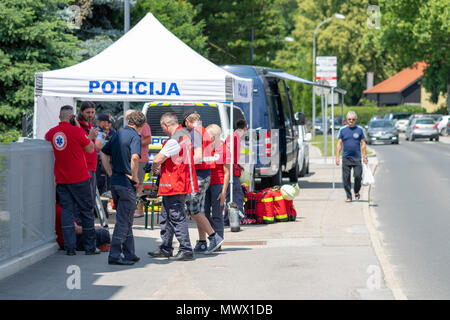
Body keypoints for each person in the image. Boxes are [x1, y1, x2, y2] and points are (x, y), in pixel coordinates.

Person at [45, 105, 98, 256]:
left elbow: (46, 140)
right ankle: (89, 247)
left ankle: (70, 247)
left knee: (67, 212)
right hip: (80, 178)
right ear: (71, 117)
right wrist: (88, 137)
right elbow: (89, 149)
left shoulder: (52, 133)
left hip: (62, 178)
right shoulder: (77, 131)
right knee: (87, 211)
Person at [148, 112, 198, 261]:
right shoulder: (185, 135)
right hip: (179, 182)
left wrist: (154, 168)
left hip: (174, 184)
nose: (163, 131)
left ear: (166, 125)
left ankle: (186, 249)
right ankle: (166, 247)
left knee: (175, 216)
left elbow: (158, 159)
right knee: (166, 216)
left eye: (163, 128)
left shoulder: (175, 139)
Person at [101, 110, 146, 265]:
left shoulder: (118, 134)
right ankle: (114, 255)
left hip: (115, 182)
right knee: (123, 220)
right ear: (141, 125)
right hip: (126, 184)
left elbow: (104, 153)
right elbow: (135, 158)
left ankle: (129, 253)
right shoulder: (135, 136)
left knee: (126, 218)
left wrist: (110, 172)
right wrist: (135, 176)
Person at [182, 111, 224, 254]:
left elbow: (198, 156)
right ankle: (201, 241)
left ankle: (213, 237)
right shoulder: (204, 131)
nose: (185, 127)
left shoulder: (195, 133)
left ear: (188, 121)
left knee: (193, 210)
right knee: (198, 210)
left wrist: (183, 166)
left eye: (185, 124)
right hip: (205, 174)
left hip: (199, 175)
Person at [203, 124, 230, 243]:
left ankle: (218, 240)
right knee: (203, 213)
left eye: (207, 137)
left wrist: (223, 192)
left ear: (214, 137)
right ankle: (212, 237)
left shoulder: (224, 150)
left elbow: (227, 173)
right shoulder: (206, 148)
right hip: (205, 184)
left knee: (217, 214)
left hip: (217, 185)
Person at [123, 110, 152, 218]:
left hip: (141, 159)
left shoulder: (144, 125)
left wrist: (134, 143)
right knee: (131, 184)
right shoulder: (130, 127)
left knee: (139, 185)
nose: (127, 121)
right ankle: (132, 208)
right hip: (131, 159)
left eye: (128, 118)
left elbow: (149, 140)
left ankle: (139, 210)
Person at [335, 111, 368, 202]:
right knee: (346, 178)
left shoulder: (360, 129)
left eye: (353, 119)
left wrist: (365, 156)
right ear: (347, 120)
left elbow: (363, 143)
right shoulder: (342, 130)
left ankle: (356, 191)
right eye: (349, 119)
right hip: (346, 157)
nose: (351, 121)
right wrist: (337, 157)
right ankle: (349, 196)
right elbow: (339, 144)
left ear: (355, 120)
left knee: (358, 176)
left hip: (357, 158)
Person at [224, 119, 247, 225]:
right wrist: (233, 165)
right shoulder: (234, 137)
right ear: (245, 128)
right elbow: (227, 153)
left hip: (232, 168)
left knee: (229, 195)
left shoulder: (233, 136)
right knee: (237, 194)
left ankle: (227, 218)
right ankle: (239, 217)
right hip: (231, 171)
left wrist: (237, 164)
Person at [77, 101, 99, 217]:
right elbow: (80, 145)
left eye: (92, 112)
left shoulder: (90, 125)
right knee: (86, 200)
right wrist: (90, 137)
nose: (90, 115)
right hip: (84, 167)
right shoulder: (78, 125)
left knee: (91, 199)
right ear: (81, 112)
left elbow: (90, 145)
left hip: (92, 165)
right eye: (87, 112)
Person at [95, 113, 115, 209]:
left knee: (106, 187)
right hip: (98, 162)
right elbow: (98, 147)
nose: (108, 124)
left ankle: (103, 209)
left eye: (109, 123)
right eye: (107, 122)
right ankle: (97, 209)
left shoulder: (112, 132)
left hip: (109, 162)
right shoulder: (96, 131)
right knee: (99, 185)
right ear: (101, 122)